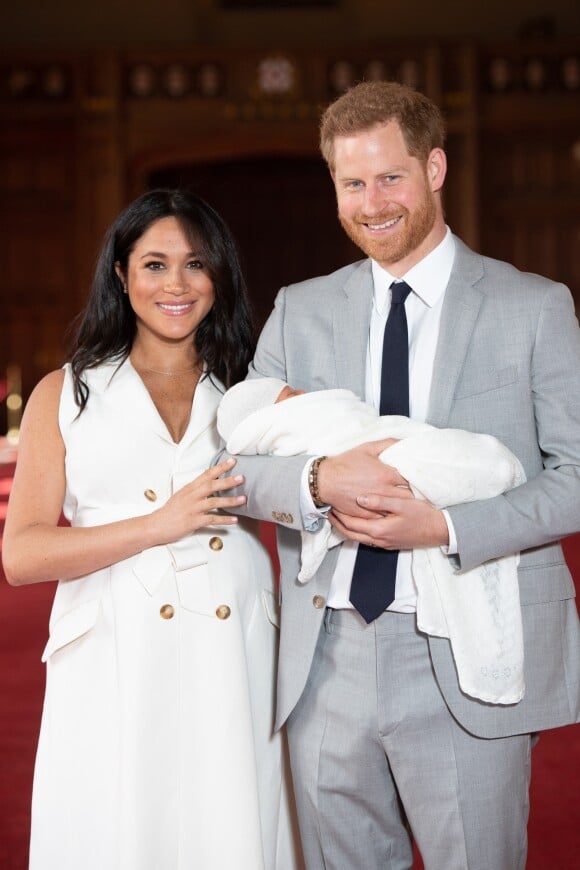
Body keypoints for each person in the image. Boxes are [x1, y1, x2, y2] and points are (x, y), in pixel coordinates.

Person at [223, 82, 580, 870]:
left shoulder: (533, 306)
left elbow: (577, 474)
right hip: (326, 658)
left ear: (436, 168)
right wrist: (318, 480)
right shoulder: (300, 309)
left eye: (391, 177)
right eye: (352, 183)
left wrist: (447, 527)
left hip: (463, 648)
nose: (371, 202)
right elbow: (239, 467)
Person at [2, 189, 301, 870]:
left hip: (234, 646)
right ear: (121, 274)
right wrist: (158, 524)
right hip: (112, 642)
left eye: (195, 265)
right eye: (155, 264)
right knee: (117, 825)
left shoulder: (253, 387)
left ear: (218, 276)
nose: (177, 285)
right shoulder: (67, 391)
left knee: (231, 820)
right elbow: (21, 555)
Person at [218, 376, 527, 705]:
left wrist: (446, 527)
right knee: (438, 464)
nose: (305, 395)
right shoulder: (287, 336)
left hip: (436, 635)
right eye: (293, 395)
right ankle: (488, 467)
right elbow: (228, 472)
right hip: (327, 642)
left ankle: (488, 466)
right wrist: (319, 480)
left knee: (442, 457)